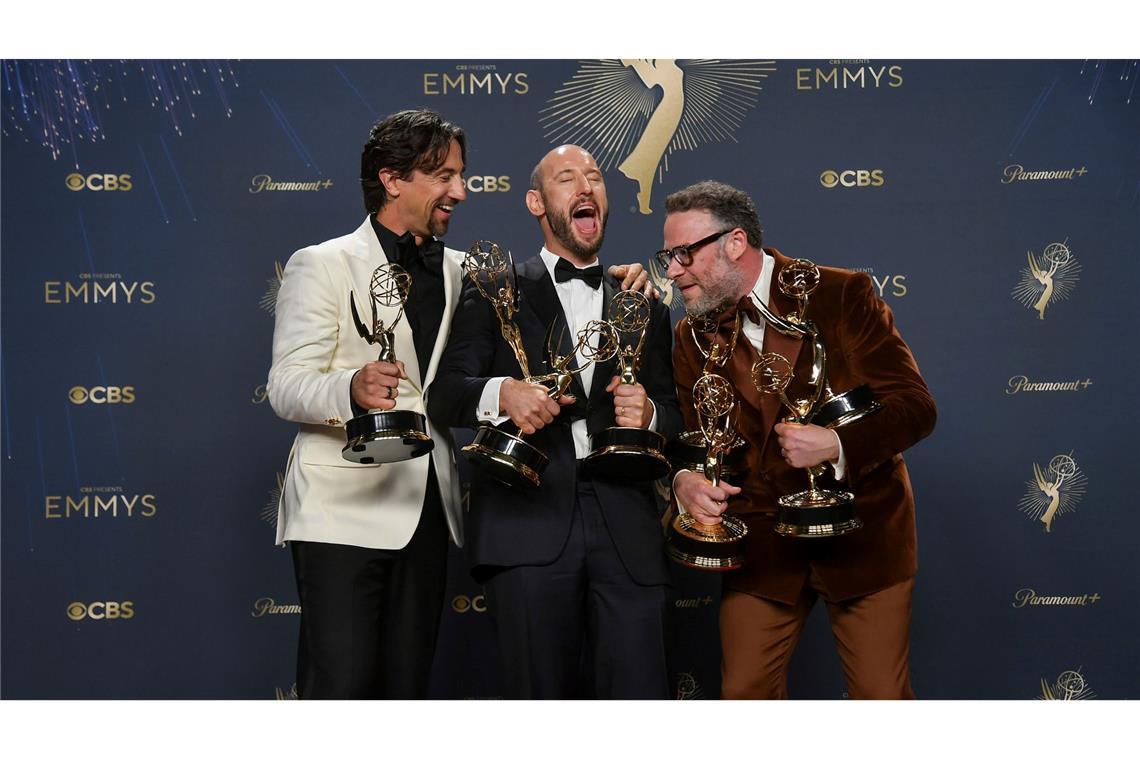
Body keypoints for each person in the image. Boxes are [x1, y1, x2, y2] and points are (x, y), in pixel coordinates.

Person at [663, 180, 936, 699]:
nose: (673, 271)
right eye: (668, 256)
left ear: (735, 243)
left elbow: (916, 408)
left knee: (881, 701)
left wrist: (835, 445)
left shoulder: (840, 294)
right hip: (763, 545)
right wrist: (687, 481)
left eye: (683, 255)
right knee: (743, 696)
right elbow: (689, 439)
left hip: (864, 537)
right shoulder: (690, 334)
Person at [428, 144, 681, 698]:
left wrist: (652, 413)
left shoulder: (644, 302)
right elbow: (444, 396)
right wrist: (504, 393)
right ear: (536, 202)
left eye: (595, 176)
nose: (586, 187)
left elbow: (678, 413)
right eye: (568, 179)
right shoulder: (496, 290)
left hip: (628, 532)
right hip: (526, 524)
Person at [267, 108, 471, 698]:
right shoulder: (321, 263)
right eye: (444, 176)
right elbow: (286, 384)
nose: (460, 190)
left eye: (461, 175)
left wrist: (623, 282)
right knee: (343, 691)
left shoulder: (465, 272)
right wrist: (349, 388)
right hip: (341, 509)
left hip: (427, 504)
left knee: (405, 693)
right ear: (392, 179)